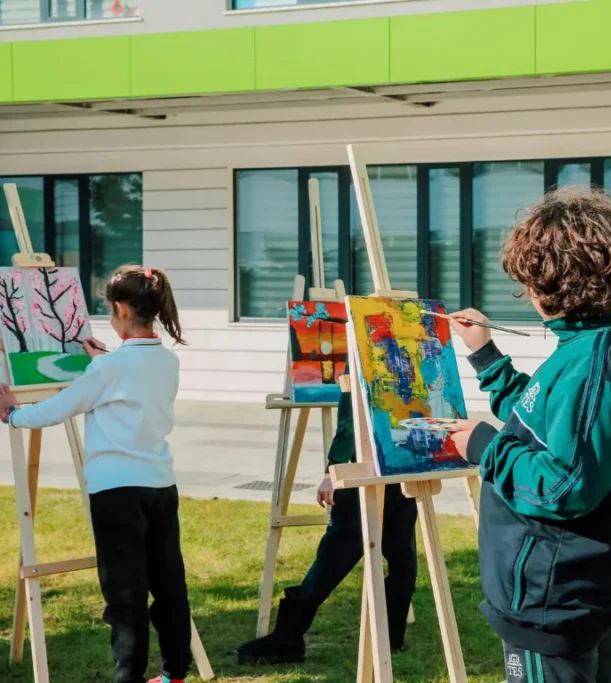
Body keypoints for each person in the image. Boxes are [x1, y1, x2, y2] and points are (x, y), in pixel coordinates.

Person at [447, 188, 611, 683]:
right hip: (567, 591)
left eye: (530, 279)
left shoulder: (591, 366)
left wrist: (484, 446)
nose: (528, 292)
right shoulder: (588, 345)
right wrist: (486, 356)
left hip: (551, 598)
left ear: (556, 282)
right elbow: (539, 421)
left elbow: (564, 484)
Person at [0, 266, 191, 683]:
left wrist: (14, 414)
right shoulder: (165, 360)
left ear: (121, 308)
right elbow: (130, 383)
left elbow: (60, 406)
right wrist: (102, 360)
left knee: (125, 592)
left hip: (117, 491)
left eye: (109, 308)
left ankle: (129, 677)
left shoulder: (109, 370)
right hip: (160, 483)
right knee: (168, 582)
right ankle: (176, 674)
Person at [235, 391, 418, 664]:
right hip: (406, 459)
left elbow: (350, 419)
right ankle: (392, 638)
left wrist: (333, 470)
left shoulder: (359, 350)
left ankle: (288, 637)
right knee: (400, 552)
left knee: (338, 550)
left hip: (364, 464)